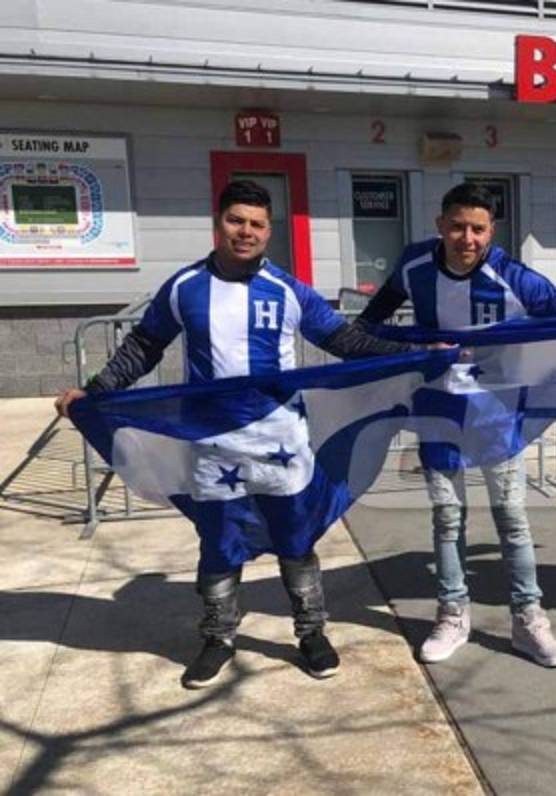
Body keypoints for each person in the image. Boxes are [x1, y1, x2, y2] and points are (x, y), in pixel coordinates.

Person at [55, 180, 412, 688]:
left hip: (280, 443)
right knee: (219, 542)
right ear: (218, 222)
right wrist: (96, 390)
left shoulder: (290, 291)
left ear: (269, 231)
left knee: (296, 538)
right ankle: (218, 637)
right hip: (212, 443)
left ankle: (311, 633)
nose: (246, 231)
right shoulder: (184, 287)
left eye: (257, 224)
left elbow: (346, 340)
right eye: (236, 220)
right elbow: (144, 344)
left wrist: (414, 358)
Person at [353, 182, 556, 668]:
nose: (467, 238)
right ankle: (452, 613)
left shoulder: (510, 273)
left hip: (496, 415)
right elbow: (366, 328)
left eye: (478, 229)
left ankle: (528, 618)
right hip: (437, 410)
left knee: (512, 519)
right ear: (440, 225)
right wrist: (413, 352)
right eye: (457, 226)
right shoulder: (415, 265)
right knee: (447, 517)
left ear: (491, 231)